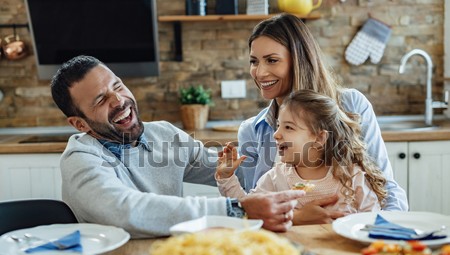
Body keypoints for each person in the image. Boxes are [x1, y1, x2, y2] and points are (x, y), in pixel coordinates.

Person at [50, 55, 305, 238]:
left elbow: (231, 171)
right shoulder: (80, 160)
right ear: (80, 124)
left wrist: (300, 168)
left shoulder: (163, 134)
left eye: (117, 86)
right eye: (100, 100)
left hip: (169, 254)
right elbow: (125, 210)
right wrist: (235, 209)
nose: (119, 100)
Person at [238, 13, 408, 224]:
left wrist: (385, 234)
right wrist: (298, 218)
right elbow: (250, 210)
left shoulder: (351, 105)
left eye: (272, 60)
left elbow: (385, 188)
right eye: (254, 61)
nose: (260, 72)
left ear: (299, 60)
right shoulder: (252, 131)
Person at [216, 90, 386, 216]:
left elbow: (371, 223)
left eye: (288, 127)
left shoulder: (352, 176)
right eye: (278, 126)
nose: (276, 134)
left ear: (319, 138)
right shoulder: (277, 178)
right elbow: (247, 209)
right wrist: (226, 177)